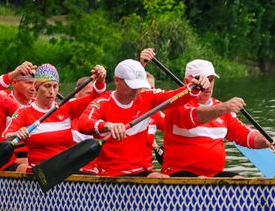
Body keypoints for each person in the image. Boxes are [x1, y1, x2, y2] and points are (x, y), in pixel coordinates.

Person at [75, 49, 209, 177]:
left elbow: (173, 97)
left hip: (143, 171)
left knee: (163, 179)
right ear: (116, 80)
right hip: (111, 174)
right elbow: (83, 123)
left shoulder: (146, 97)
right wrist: (107, 125)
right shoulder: (103, 101)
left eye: (139, 85)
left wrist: (193, 87)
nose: (136, 91)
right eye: (132, 86)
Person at [155, 58, 275, 177]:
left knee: (240, 180)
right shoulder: (175, 104)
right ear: (187, 82)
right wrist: (224, 108)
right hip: (178, 174)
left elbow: (246, 136)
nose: (208, 85)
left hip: (213, 176)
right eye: (203, 80)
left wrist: (267, 140)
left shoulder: (222, 109)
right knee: (201, 180)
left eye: (211, 80)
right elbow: (194, 116)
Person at [4, 64, 107, 172]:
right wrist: (17, 134)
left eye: (55, 86)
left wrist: (100, 81)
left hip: (63, 171)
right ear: (36, 87)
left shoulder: (66, 108)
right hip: (38, 173)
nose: (52, 91)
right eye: (47, 86)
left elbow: (94, 98)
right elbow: (6, 136)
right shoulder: (23, 112)